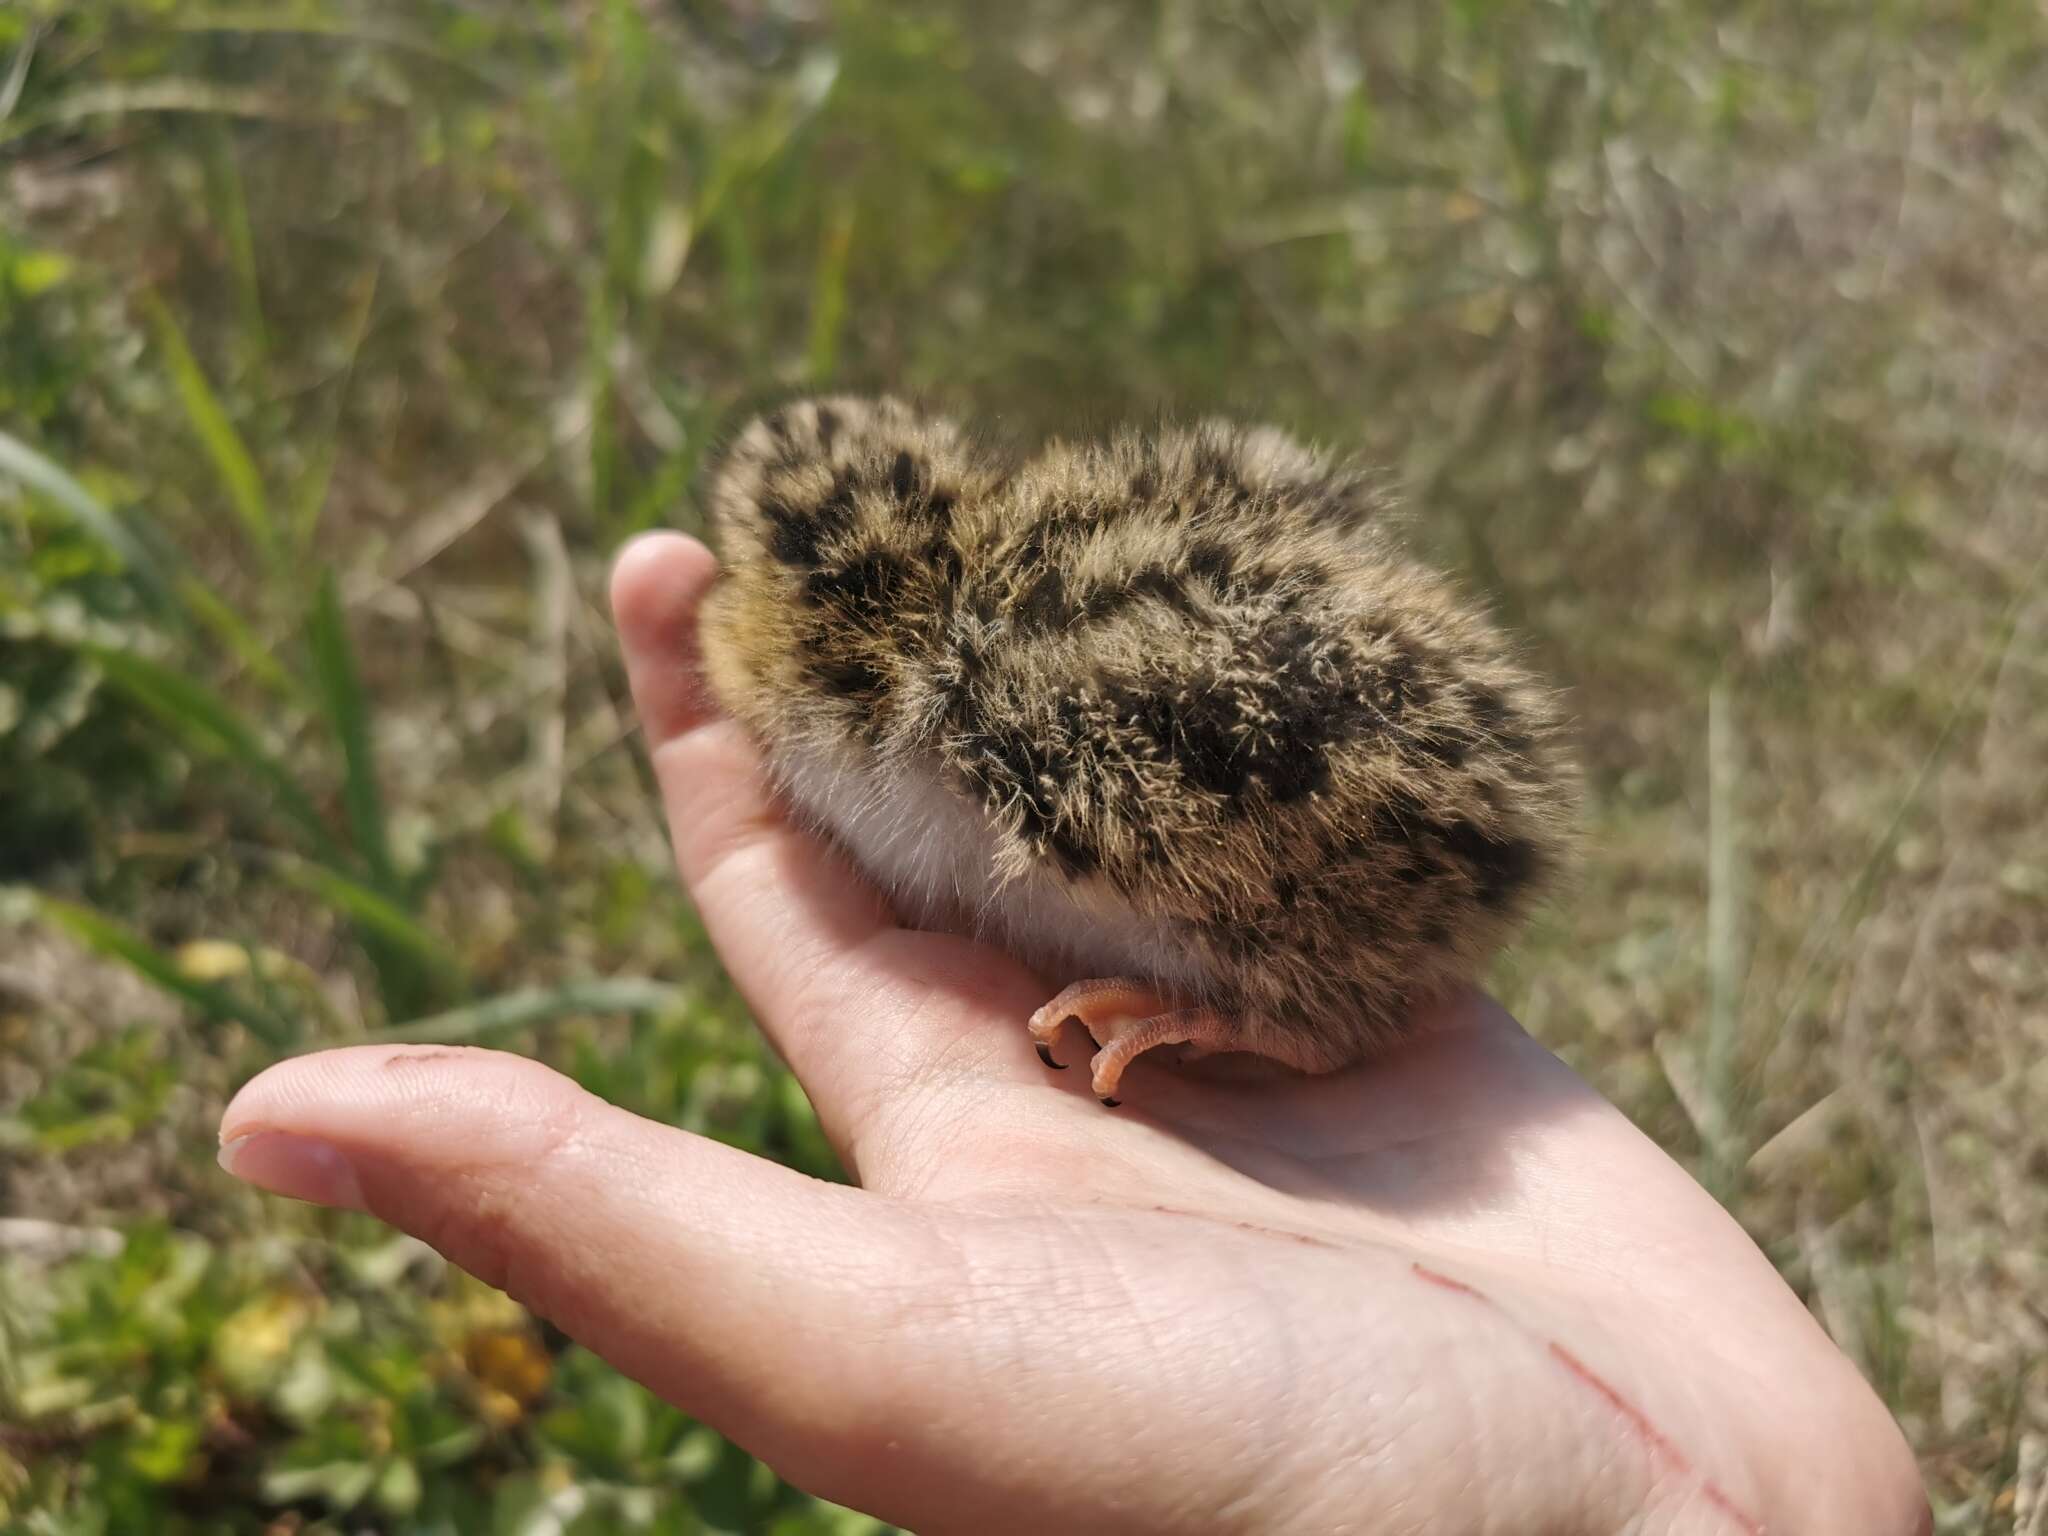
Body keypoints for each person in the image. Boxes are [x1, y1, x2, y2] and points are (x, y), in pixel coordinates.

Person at [218, 533, 1930, 1535]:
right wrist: (1732, 1495)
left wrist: (1271, 1000)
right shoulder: (1015, 679)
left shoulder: (1023, 721)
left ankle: (1298, 991)